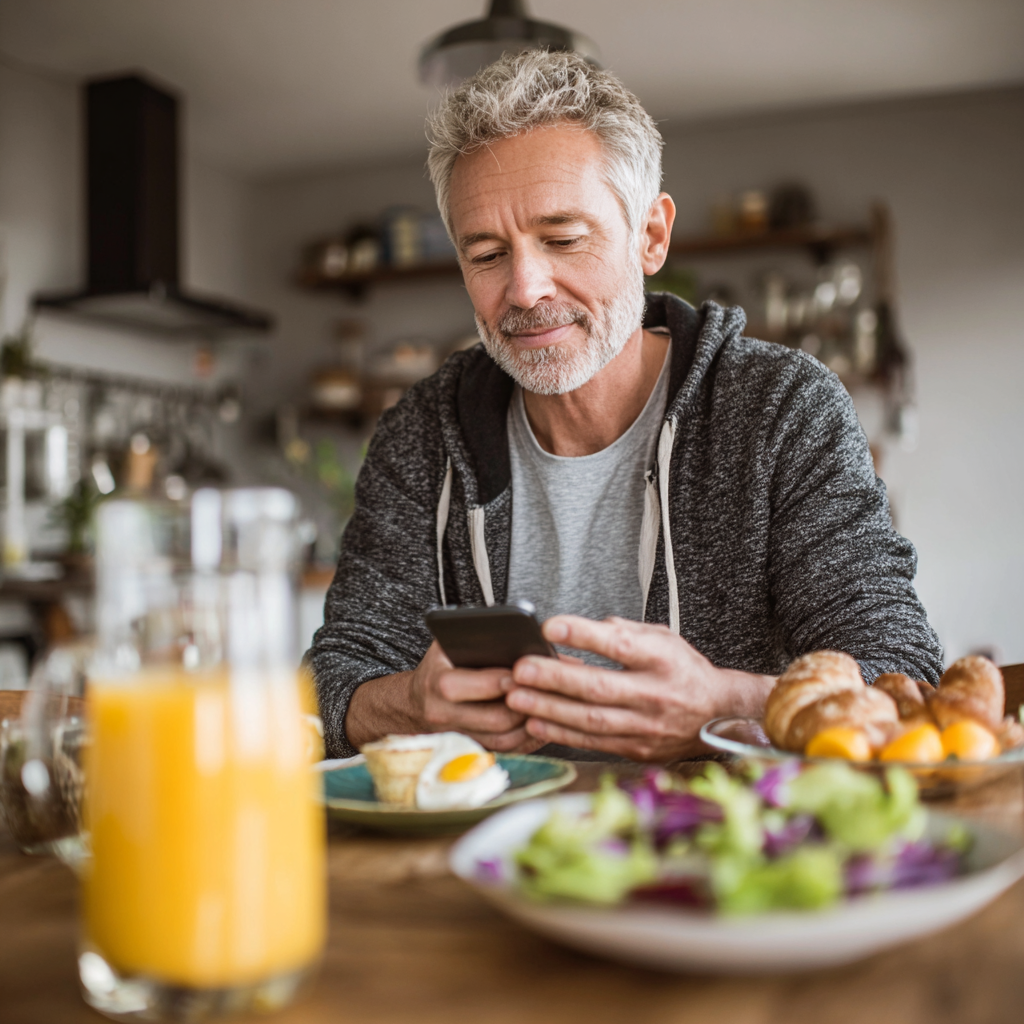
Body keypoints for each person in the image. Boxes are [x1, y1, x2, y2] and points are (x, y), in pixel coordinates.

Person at [309, 50, 941, 763]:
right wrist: (410, 707)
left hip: (727, 850)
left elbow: (900, 675)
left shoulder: (783, 410)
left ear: (651, 236)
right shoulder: (420, 435)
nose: (524, 288)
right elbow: (334, 681)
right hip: (483, 857)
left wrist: (723, 707)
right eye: (486, 254)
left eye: (563, 239)